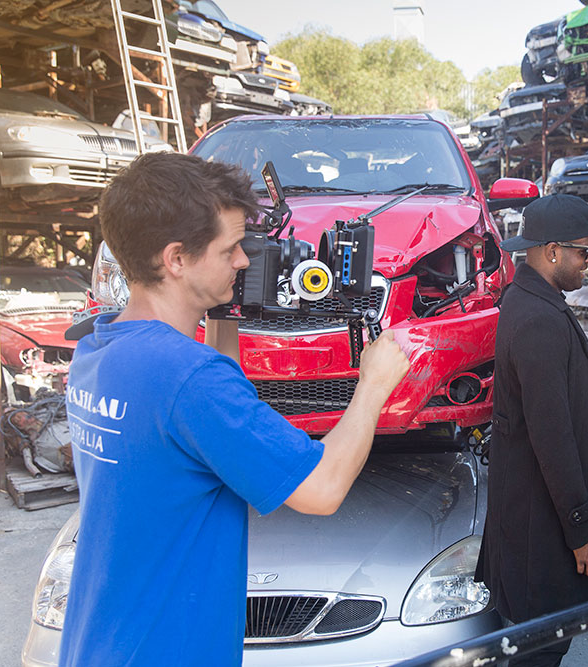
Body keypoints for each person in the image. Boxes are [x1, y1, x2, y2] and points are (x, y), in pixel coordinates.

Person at [59, 152, 410, 666]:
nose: (244, 261)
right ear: (175, 259)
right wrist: (373, 387)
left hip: (99, 642)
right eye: (230, 251)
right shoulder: (190, 380)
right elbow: (322, 488)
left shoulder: (99, 350)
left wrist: (223, 314)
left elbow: (205, 422)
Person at [476, 194, 588, 667]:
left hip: (534, 522)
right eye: (583, 251)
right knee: (542, 649)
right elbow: (552, 438)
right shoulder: (536, 317)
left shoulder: (531, 300)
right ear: (552, 251)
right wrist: (582, 530)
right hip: (544, 533)